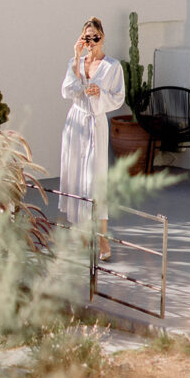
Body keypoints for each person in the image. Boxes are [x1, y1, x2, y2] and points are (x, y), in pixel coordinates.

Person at [60, 16, 125, 261]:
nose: (91, 42)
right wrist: (76, 58)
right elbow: (67, 90)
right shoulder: (75, 62)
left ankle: (103, 239)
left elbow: (118, 98)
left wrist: (101, 93)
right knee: (76, 177)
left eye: (95, 37)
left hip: (95, 123)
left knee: (96, 181)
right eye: (87, 38)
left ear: (103, 37)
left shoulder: (112, 66)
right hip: (75, 122)